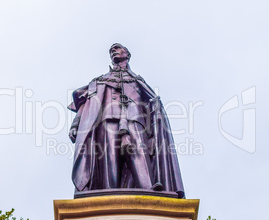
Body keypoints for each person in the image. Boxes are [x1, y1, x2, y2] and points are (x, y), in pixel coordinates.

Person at [68, 43, 185, 197]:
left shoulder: (137, 80)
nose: (113, 51)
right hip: (107, 119)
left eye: (117, 48)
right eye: (111, 50)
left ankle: (149, 190)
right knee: (110, 159)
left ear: (127, 54)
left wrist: (157, 111)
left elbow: (152, 101)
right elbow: (87, 103)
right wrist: (76, 124)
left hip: (135, 118)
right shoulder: (100, 80)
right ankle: (109, 194)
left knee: (139, 153)